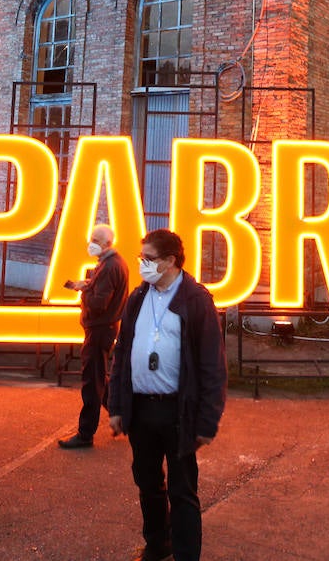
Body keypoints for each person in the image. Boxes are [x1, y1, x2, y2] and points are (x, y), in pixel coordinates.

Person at [108, 228, 226, 561]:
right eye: (141, 258)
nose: (142, 264)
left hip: (178, 412)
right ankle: (158, 544)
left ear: (171, 261)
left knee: (183, 492)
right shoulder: (138, 297)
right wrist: (117, 406)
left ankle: (187, 554)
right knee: (147, 483)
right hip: (142, 410)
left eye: (148, 259)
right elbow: (122, 353)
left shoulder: (196, 300)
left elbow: (212, 367)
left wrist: (207, 421)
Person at [58, 223, 129, 450]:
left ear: (108, 244)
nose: (92, 244)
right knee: (99, 378)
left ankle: (85, 434)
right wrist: (88, 284)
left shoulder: (109, 267)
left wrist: (84, 291)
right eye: (92, 239)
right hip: (103, 328)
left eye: (96, 241)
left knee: (92, 382)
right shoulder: (112, 264)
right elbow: (102, 292)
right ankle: (125, 419)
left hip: (100, 328)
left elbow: (99, 303)